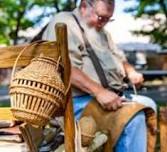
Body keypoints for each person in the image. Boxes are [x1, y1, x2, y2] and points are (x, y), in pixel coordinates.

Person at [42, 0, 157, 151]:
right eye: (101, 17)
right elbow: (63, 67)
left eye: (109, 19)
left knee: (149, 104)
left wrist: (131, 72)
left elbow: (121, 59)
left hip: (107, 96)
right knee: (134, 118)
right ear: (84, 6)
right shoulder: (66, 22)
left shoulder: (102, 33)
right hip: (74, 103)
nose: (104, 23)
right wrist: (100, 92)